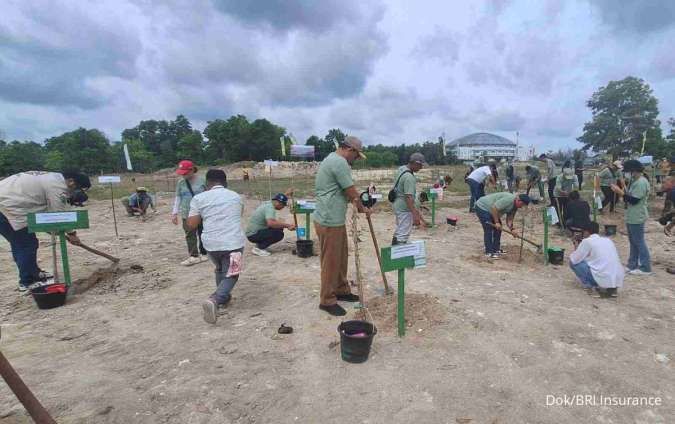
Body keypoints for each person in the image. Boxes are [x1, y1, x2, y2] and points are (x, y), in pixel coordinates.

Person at [0, 170, 90, 291]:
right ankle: (27, 282)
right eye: (79, 188)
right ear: (71, 181)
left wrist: (56, 230)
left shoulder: (53, 178)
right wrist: (71, 234)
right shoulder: (57, 186)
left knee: (21, 243)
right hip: (6, 208)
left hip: (10, 206)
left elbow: (51, 212)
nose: (78, 192)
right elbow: (59, 214)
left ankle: (33, 273)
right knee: (26, 244)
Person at [313, 136, 370, 316]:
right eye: (356, 156)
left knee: (340, 256)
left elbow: (344, 191)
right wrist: (363, 208)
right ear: (350, 150)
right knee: (330, 261)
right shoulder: (339, 163)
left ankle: (341, 289)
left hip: (333, 219)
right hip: (329, 219)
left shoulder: (332, 159)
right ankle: (327, 300)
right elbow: (351, 191)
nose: (356, 160)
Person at [186, 169, 245, 324]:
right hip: (233, 242)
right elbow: (239, 214)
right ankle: (215, 300)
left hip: (211, 245)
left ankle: (224, 298)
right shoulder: (235, 196)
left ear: (207, 184)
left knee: (220, 268)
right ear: (225, 183)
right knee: (232, 274)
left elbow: (191, 225)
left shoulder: (199, 198)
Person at [611, 160, 652, 276]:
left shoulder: (641, 183)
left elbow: (634, 200)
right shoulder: (635, 181)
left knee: (639, 241)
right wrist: (623, 190)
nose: (627, 174)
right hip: (631, 215)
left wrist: (620, 192)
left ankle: (645, 267)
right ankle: (632, 264)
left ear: (634, 171)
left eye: (628, 172)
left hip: (637, 215)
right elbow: (629, 197)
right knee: (633, 241)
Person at [569, 221, 624, 297]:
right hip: (616, 278)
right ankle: (612, 289)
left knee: (574, 263)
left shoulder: (587, 241)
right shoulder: (607, 240)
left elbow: (574, 259)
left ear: (587, 232)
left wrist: (576, 245)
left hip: (602, 277)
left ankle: (592, 286)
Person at [172, 160, 207, 266]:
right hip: (186, 213)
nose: (183, 175)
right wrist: (174, 213)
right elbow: (178, 198)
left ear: (192, 170)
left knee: (203, 233)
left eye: (185, 172)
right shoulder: (180, 183)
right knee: (189, 234)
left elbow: (209, 196)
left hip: (202, 212)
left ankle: (204, 253)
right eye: (181, 173)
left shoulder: (203, 180)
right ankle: (194, 256)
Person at [474, 192, 530, 259]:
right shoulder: (509, 200)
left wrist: (512, 229)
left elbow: (509, 219)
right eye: (522, 204)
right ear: (518, 200)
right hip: (482, 207)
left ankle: (496, 249)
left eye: (524, 205)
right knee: (488, 228)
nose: (521, 207)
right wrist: (496, 222)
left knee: (499, 228)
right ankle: (488, 252)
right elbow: (494, 208)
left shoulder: (515, 207)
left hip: (491, 210)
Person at [391, 153, 428, 245]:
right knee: (403, 234)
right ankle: (398, 254)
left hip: (397, 204)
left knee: (400, 230)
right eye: (420, 165)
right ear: (415, 163)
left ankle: (395, 249)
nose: (421, 168)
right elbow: (409, 197)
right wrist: (415, 214)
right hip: (404, 208)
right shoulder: (409, 177)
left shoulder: (402, 169)